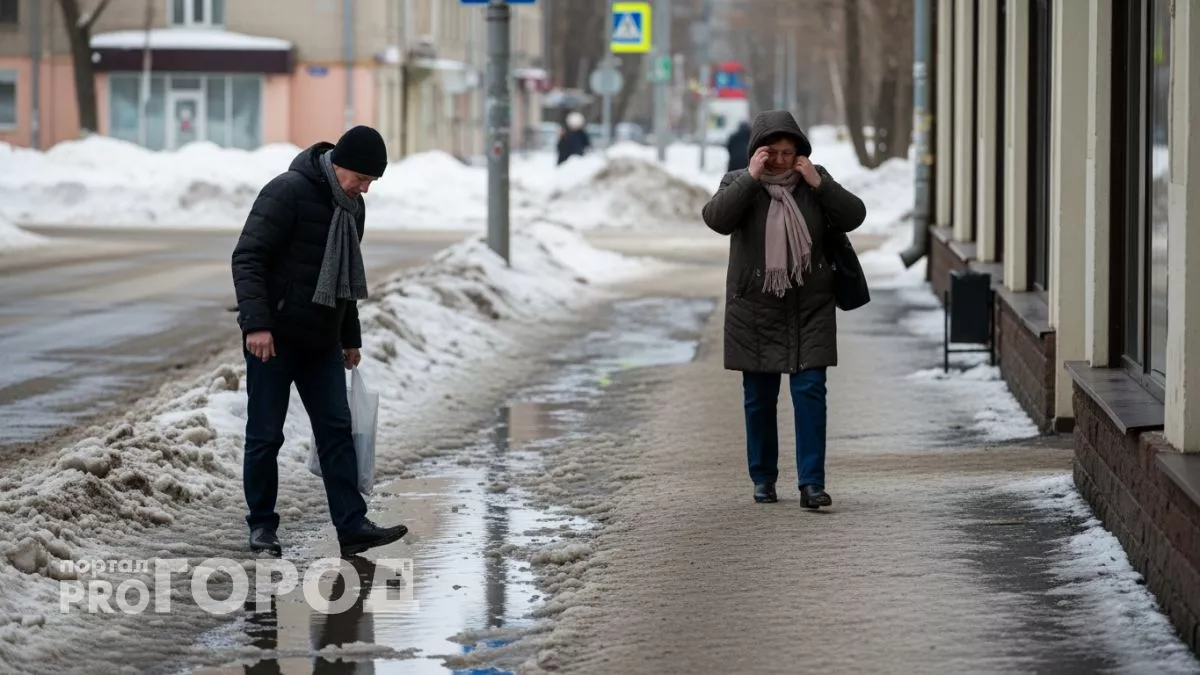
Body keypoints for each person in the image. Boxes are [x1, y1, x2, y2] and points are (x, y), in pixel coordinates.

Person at [231, 125, 408, 557]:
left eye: (371, 182)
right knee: (265, 436)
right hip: (273, 339)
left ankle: (352, 526)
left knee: (336, 432)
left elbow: (346, 276)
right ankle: (262, 526)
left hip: (322, 341)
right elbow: (248, 257)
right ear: (340, 164)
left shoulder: (353, 208)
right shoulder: (287, 191)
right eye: (362, 178)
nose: (365, 189)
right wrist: (257, 325)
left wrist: (350, 337)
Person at [700, 110, 866, 508]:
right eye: (770, 152)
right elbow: (716, 219)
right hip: (754, 308)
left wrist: (820, 184)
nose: (778, 160)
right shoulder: (737, 182)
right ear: (756, 152)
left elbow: (854, 215)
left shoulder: (814, 181)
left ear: (800, 153)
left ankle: (812, 484)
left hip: (810, 306)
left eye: (787, 153)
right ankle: (763, 478)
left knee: (810, 393)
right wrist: (750, 178)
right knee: (759, 400)